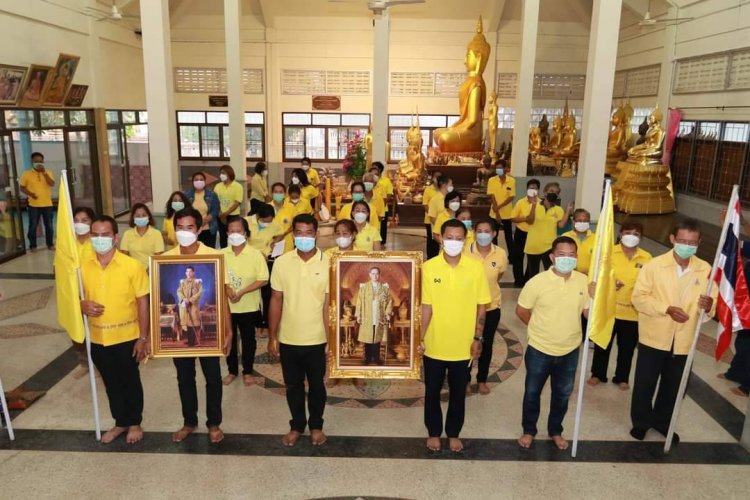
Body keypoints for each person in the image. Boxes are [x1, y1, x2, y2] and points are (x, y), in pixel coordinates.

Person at [630, 218, 716, 444]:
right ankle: (641, 422)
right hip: (654, 336)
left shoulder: (705, 269)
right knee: (645, 383)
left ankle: (663, 422)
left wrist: (709, 306)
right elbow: (639, 298)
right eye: (682, 241)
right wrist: (666, 309)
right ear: (672, 239)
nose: (687, 246)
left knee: (674, 386)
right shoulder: (654, 265)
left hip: (684, 340)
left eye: (692, 242)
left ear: (699, 242)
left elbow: (712, 303)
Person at [420, 219, 491, 452]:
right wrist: (419, 338)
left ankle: (453, 433)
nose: (453, 242)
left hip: (463, 345)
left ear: (465, 239)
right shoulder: (428, 268)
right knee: (431, 391)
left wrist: (478, 338)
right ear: (440, 238)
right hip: (434, 344)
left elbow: (482, 306)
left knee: (458, 393)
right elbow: (426, 307)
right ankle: (433, 432)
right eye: (449, 237)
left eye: (459, 238)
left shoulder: (475, 268)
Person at [163, 207, 233, 444]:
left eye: (189, 227)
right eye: (179, 227)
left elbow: (222, 298)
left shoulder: (214, 256)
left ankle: (214, 423)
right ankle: (189, 421)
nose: (184, 232)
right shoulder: (166, 258)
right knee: (184, 377)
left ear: (200, 228)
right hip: (183, 315)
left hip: (201, 320)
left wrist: (228, 331)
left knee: (213, 377)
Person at [516, 236, 591, 450]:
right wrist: (538, 328)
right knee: (532, 392)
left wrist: (597, 298)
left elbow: (588, 314)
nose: (567, 259)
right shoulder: (537, 282)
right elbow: (521, 310)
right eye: (561, 254)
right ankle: (529, 430)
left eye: (571, 255)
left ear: (576, 257)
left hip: (570, 349)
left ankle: (555, 430)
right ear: (552, 257)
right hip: (540, 348)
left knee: (563, 394)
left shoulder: (584, 282)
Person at [79, 215, 149, 444]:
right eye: (95, 235)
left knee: (130, 380)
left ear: (115, 238)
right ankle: (120, 421)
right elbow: (74, 298)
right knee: (110, 383)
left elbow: (143, 302)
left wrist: (143, 338)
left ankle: (135, 422)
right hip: (98, 337)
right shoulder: (83, 268)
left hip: (127, 337)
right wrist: (81, 305)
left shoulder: (132, 266)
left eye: (105, 234)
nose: (100, 239)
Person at [268, 214, 330, 447]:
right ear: (293, 234)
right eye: (299, 232)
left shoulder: (329, 264)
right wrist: (272, 336)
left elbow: (329, 306)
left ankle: (316, 426)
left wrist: (331, 340)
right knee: (293, 385)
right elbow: (276, 299)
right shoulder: (282, 262)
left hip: (317, 338)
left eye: (308, 232)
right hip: (289, 337)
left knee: (317, 386)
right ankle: (296, 425)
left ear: (317, 234)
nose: (304, 237)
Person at [589, 222, 652, 389]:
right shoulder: (609, 253)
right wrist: (609, 283)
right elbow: (598, 276)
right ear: (620, 234)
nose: (631, 236)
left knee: (627, 348)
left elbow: (651, 283)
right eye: (628, 232)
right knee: (603, 344)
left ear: (641, 238)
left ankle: (622, 377)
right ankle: (597, 374)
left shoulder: (647, 258)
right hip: (609, 309)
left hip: (632, 313)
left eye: (636, 234)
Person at [222, 216, 269, 386]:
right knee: (229, 338)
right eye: (231, 231)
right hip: (227, 307)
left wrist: (242, 292)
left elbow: (263, 279)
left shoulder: (255, 254)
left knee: (248, 340)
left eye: (238, 231)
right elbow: (215, 276)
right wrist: (227, 288)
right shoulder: (221, 254)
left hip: (249, 306)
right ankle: (232, 370)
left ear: (246, 233)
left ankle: (248, 371)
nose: (235, 234)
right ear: (227, 233)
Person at [467, 218, 508, 395]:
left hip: (491, 306)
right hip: (468, 307)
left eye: (487, 231)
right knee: (467, 343)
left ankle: (482, 380)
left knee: (487, 343)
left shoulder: (500, 253)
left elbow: (499, 276)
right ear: (474, 233)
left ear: (494, 234)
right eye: (479, 231)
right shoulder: (465, 250)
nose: (483, 235)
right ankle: (465, 380)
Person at [719, 213, 750, 397]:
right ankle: (735, 373)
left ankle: (747, 386)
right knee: (742, 336)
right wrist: (743, 223)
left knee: (747, 343)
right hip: (746, 297)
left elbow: (736, 246)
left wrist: (729, 226)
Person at [524, 184, 572, 281]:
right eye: (551, 190)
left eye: (556, 192)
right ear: (545, 192)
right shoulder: (533, 205)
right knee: (533, 276)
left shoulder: (558, 209)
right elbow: (530, 221)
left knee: (551, 274)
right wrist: (533, 206)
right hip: (533, 245)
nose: (553, 193)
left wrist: (567, 211)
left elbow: (561, 225)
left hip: (549, 246)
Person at [71, 206, 96, 378]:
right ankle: (84, 363)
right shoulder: (68, 242)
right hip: (73, 293)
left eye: (84, 220)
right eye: (76, 220)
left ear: (92, 222)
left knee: (95, 329)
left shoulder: (97, 241)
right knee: (77, 329)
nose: (80, 224)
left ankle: (99, 364)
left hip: (93, 291)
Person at [355, 267, 393, 365]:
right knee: (368, 338)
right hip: (367, 315)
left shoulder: (384, 288)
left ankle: (376, 358)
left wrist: (388, 313)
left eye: (377, 274)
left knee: (377, 338)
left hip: (379, 316)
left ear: (379, 275)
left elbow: (389, 301)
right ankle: (367, 358)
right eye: (373, 273)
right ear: (369, 274)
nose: (375, 276)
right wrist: (358, 315)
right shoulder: (364, 287)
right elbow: (359, 302)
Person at [20, 152, 55, 252]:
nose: (39, 163)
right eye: (36, 161)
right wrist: (31, 194)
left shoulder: (48, 172)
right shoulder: (26, 174)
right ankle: (33, 245)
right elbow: (22, 187)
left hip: (47, 204)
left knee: (49, 226)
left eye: (41, 161)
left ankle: (50, 244)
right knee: (33, 226)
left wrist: (44, 173)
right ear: (32, 161)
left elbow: (52, 183)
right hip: (33, 205)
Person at [510, 178, 541, 286]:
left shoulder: (541, 203)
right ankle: (518, 281)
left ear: (538, 190)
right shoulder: (520, 202)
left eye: (535, 188)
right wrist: (525, 219)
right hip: (521, 233)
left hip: (534, 234)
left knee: (532, 258)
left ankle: (528, 280)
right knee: (518, 257)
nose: (532, 190)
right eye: (530, 188)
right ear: (527, 189)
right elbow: (513, 218)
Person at [119, 203, 165, 269]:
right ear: (133, 218)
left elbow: (158, 258)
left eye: (144, 215)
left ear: (148, 216)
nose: (141, 218)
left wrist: (148, 271)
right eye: (137, 216)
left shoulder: (156, 234)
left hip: (151, 270)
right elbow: (124, 257)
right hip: (133, 270)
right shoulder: (127, 234)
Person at [185, 172, 220, 248]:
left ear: (205, 181)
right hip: (193, 229)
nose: (199, 181)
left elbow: (216, 209)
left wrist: (208, 218)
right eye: (196, 180)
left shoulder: (212, 195)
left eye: (201, 179)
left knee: (209, 250)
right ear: (192, 182)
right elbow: (186, 211)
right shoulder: (187, 195)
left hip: (209, 228)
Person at [486, 159, 516, 251]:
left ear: (505, 168)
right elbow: (492, 196)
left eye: (500, 168)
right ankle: (495, 253)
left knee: (509, 237)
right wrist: (497, 213)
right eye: (497, 168)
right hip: (494, 213)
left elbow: (511, 197)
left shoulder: (511, 181)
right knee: (494, 236)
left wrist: (498, 207)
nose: (498, 170)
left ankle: (511, 256)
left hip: (507, 214)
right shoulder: (492, 180)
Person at [214, 165, 243, 248]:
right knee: (222, 236)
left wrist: (226, 213)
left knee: (234, 235)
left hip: (233, 215)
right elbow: (215, 200)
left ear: (229, 173)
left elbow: (237, 202)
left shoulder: (238, 186)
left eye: (223, 173)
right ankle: (224, 251)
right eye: (220, 173)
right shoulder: (218, 186)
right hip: (220, 214)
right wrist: (220, 213)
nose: (221, 175)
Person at [427, 176, 453, 259]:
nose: (452, 186)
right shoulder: (435, 199)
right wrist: (442, 227)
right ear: (444, 185)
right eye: (450, 184)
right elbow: (432, 217)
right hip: (439, 234)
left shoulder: (451, 199)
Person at [562, 209, 595, 274]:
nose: (582, 223)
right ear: (573, 221)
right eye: (579, 220)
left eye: (585, 221)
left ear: (589, 222)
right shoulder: (565, 237)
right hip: (569, 275)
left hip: (590, 276)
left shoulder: (596, 238)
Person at [371, 162, 393, 245]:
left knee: (382, 227)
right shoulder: (368, 181)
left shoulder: (386, 181)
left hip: (383, 208)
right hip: (371, 208)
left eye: (375, 168)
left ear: (380, 170)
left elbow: (388, 194)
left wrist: (381, 205)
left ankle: (381, 243)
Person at [422, 172, 443, 259]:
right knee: (431, 240)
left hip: (442, 220)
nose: (437, 179)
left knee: (441, 239)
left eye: (439, 177)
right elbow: (425, 204)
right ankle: (431, 257)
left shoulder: (443, 189)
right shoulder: (428, 189)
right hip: (430, 220)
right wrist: (432, 215)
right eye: (436, 177)